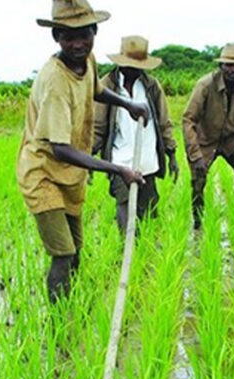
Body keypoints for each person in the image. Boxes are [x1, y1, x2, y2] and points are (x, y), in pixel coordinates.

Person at [17, 0, 149, 304]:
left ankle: (71, 307)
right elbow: (60, 149)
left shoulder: (87, 61)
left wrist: (127, 104)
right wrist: (117, 169)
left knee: (76, 252)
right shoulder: (54, 82)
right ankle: (58, 325)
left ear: (95, 31)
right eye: (68, 36)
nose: (77, 43)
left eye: (84, 34)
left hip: (70, 176)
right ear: (56, 38)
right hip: (44, 175)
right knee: (63, 255)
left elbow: (96, 90)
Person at [93, 35, 178, 233]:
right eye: (129, 64)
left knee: (148, 210)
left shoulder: (151, 86)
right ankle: (128, 248)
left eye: (138, 65)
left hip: (146, 158)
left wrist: (171, 154)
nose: (133, 69)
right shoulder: (107, 86)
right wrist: (90, 156)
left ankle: (145, 253)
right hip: (120, 160)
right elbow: (97, 126)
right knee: (124, 206)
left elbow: (164, 122)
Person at [182, 43, 234, 230]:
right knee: (198, 180)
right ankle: (198, 222)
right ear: (221, 66)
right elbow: (188, 120)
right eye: (229, 65)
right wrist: (196, 155)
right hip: (205, 139)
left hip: (230, 139)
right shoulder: (205, 86)